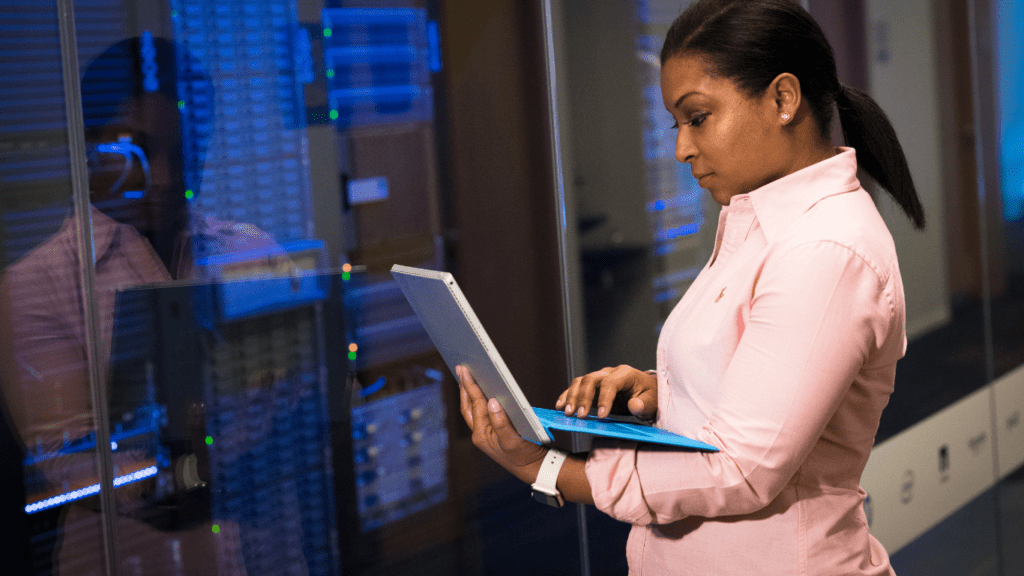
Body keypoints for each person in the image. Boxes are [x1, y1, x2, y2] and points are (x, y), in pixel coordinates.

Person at [456, 0, 924, 574]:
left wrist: (547, 470)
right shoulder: (761, 227)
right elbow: (761, 384)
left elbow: (741, 468)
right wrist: (663, 388)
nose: (681, 149)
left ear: (783, 99)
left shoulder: (824, 250)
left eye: (697, 117)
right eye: (674, 125)